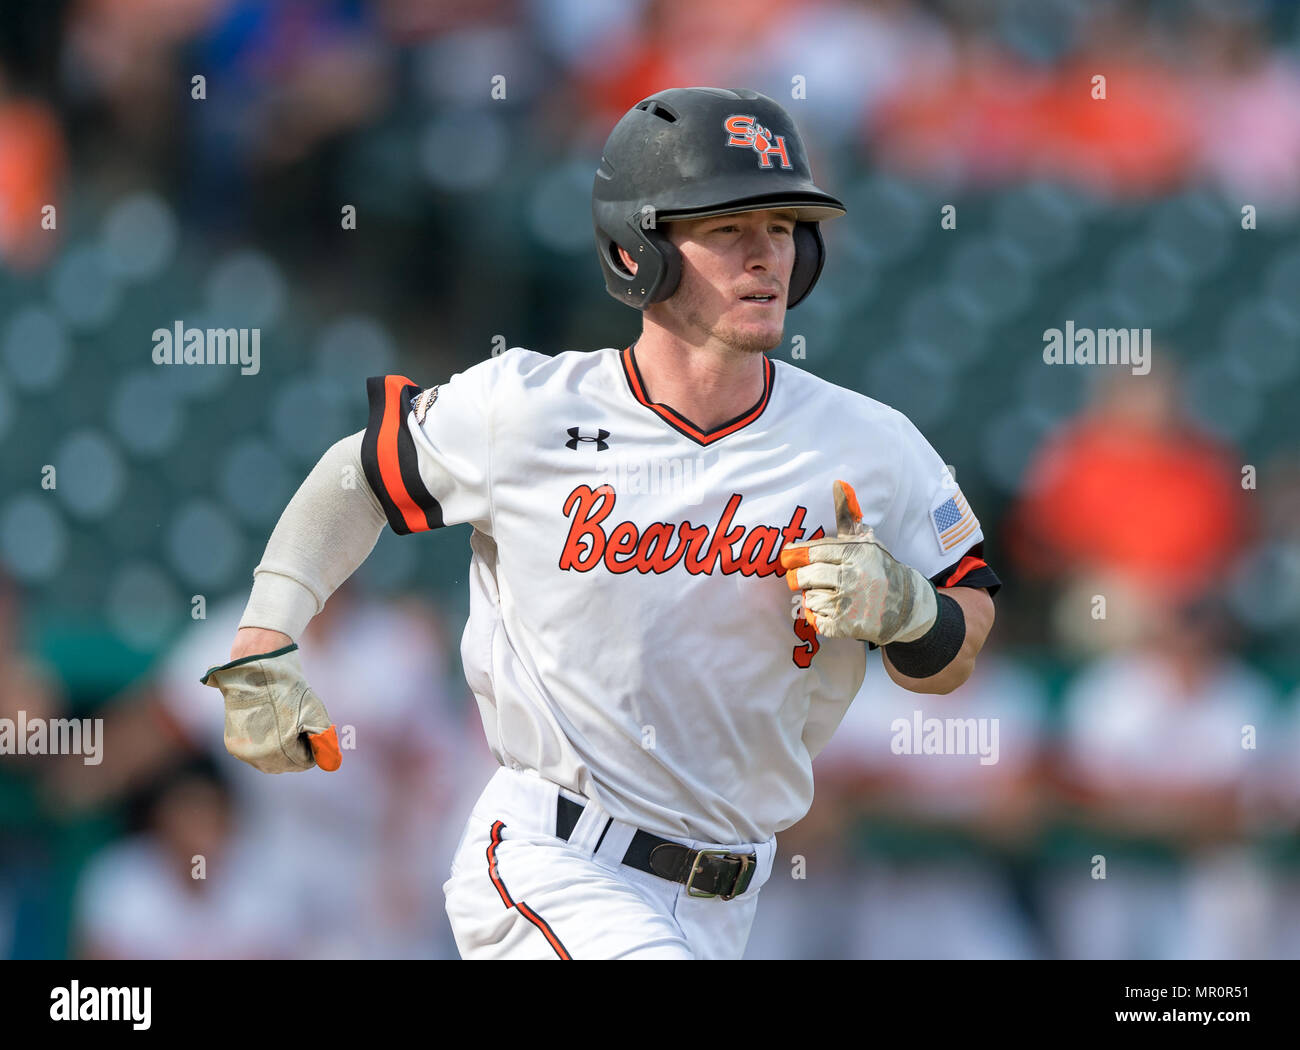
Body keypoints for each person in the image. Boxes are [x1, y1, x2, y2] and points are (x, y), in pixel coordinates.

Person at [200, 87, 1001, 960]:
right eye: (729, 228)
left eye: (783, 227)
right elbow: (354, 480)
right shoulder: (528, 408)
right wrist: (263, 639)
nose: (766, 255)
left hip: (730, 896)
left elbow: (960, 648)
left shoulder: (870, 444)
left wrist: (912, 610)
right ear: (639, 247)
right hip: (555, 860)